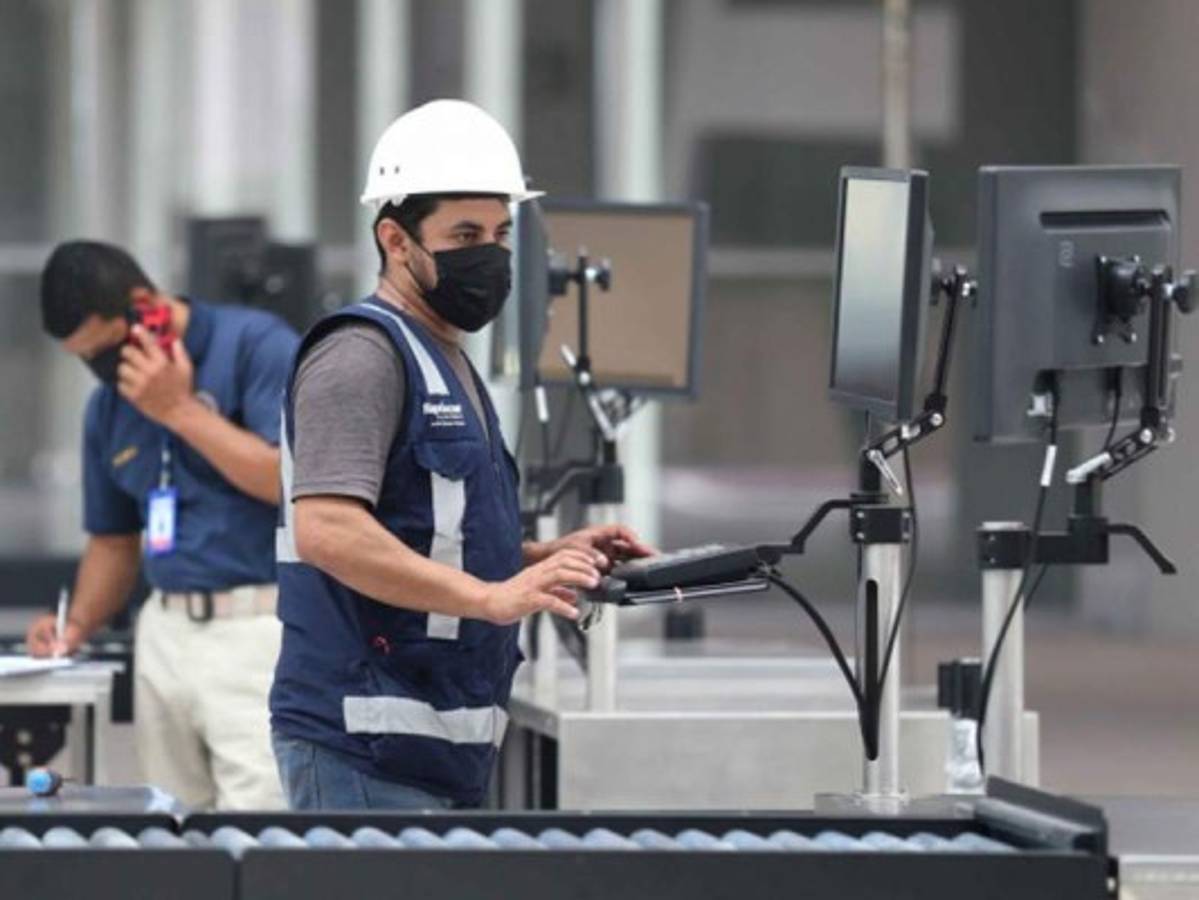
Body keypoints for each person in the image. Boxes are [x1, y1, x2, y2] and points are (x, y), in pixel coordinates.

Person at [270, 99, 652, 810]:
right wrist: (491, 598)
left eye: (501, 234)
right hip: (365, 750)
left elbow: (427, 530)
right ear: (395, 239)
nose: (491, 257)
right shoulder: (360, 356)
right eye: (465, 235)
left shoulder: (442, 356)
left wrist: (537, 559)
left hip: (434, 747)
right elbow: (327, 529)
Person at [27, 241, 299, 809]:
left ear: (144, 307)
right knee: (167, 823)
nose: (103, 369)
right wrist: (75, 625)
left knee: (259, 818)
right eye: (84, 358)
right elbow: (112, 540)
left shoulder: (256, 347)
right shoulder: (108, 407)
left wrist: (178, 410)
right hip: (164, 631)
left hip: (256, 623)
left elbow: (292, 483)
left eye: (105, 349)